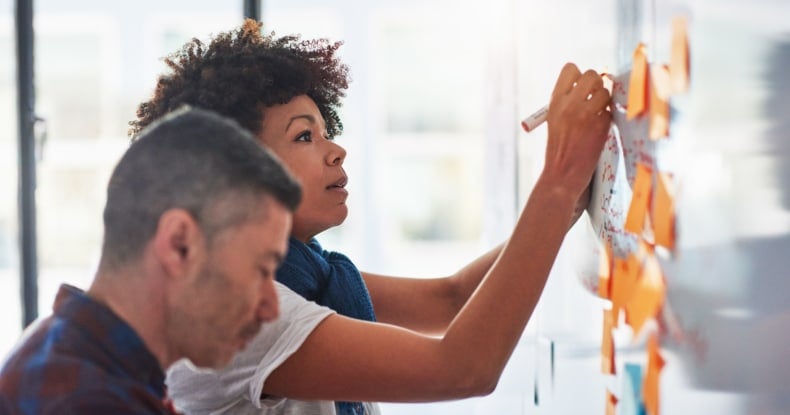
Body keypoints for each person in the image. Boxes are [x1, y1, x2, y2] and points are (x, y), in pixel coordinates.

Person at [130, 19, 611, 415]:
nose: (336, 151)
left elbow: (452, 300)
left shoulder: (307, 277)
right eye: (304, 137)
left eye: (325, 131)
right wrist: (557, 179)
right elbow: (463, 369)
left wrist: (565, 204)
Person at [0, 107, 303, 414]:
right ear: (179, 245)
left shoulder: (80, 362)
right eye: (261, 270)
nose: (271, 307)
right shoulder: (88, 401)